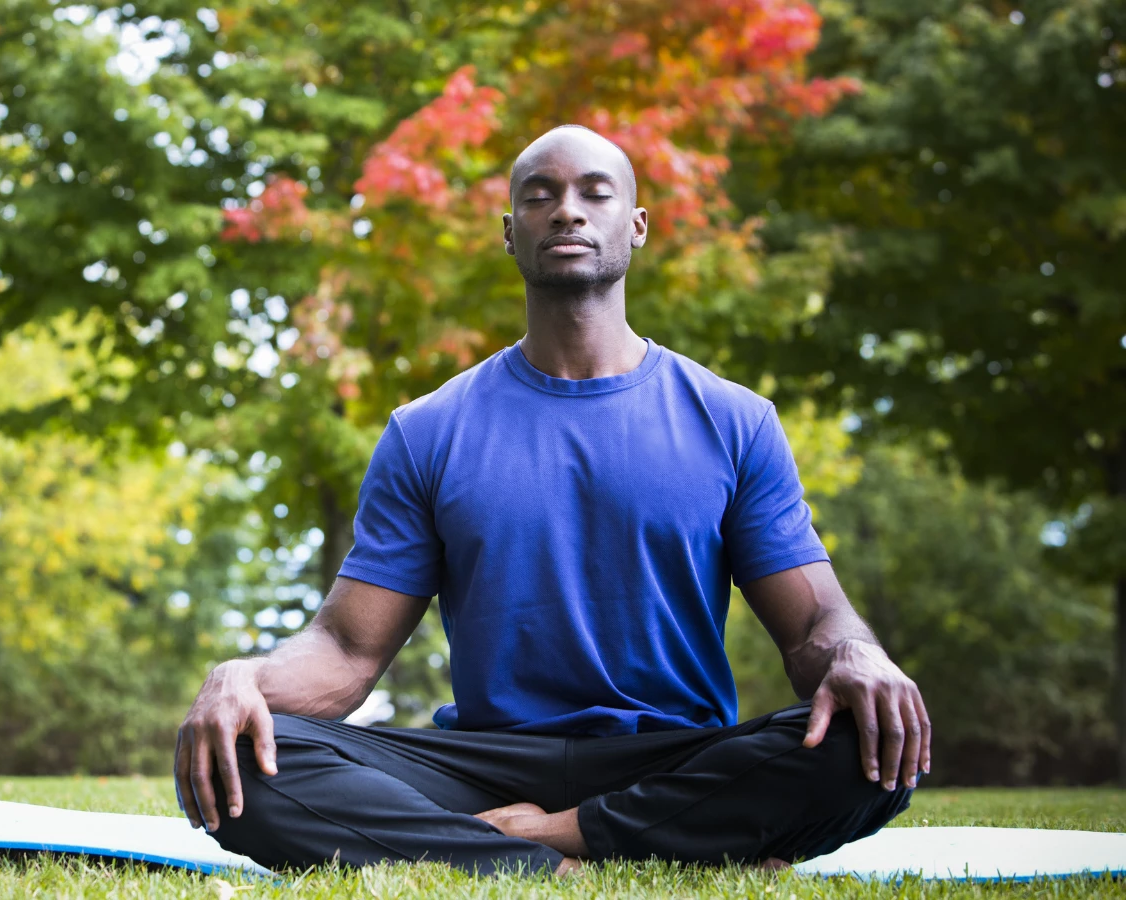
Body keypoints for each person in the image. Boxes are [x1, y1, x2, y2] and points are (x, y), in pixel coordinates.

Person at [173, 125, 929, 876]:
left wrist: (857, 654)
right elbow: (346, 652)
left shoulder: (734, 421)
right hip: (484, 761)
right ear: (511, 233)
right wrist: (245, 678)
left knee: (867, 737)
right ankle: (602, 848)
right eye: (541, 197)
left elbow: (812, 631)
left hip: (673, 755)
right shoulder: (428, 430)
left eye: (595, 194)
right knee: (241, 755)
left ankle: (545, 839)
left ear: (636, 226)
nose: (568, 211)